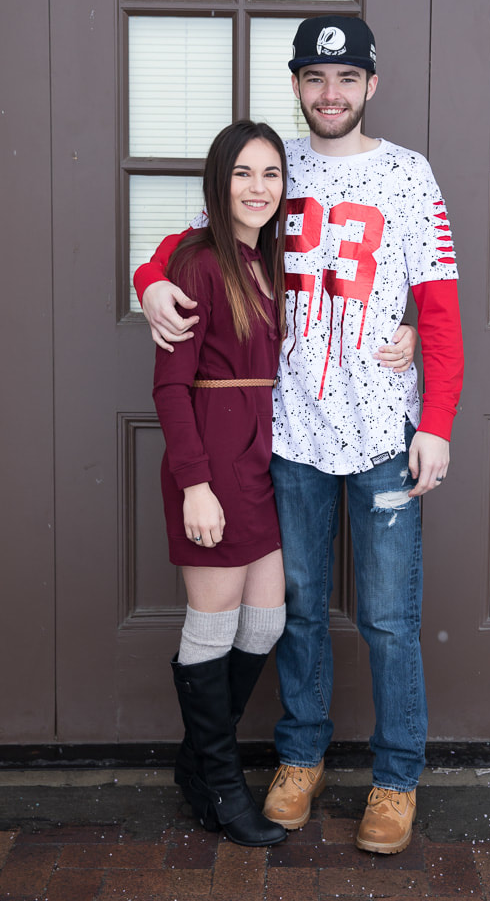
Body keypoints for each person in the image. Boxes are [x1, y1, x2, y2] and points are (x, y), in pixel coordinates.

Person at [135, 15, 464, 855]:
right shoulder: (272, 166)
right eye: (316, 80)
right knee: (301, 611)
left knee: (389, 617)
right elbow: (186, 241)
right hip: (289, 434)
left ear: (370, 85)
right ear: (296, 86)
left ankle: (395, 778)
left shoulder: (408, 175)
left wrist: (436, 421)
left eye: (347, 79)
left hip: (386, 432)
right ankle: (301, 756)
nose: (331, 94)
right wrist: (147, 283)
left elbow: (440, 308)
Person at [152, 119, 289, 848]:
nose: (258, 188)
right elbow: (170, 388)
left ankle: (194, 764)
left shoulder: (268, 259)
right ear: (218, 181)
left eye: (270, 174)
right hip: (209, 461)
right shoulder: (200, 261)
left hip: (260, 462)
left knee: (264, 621)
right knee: (212, 624)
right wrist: (194, 485)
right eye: (243, 173)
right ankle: (221, 785)